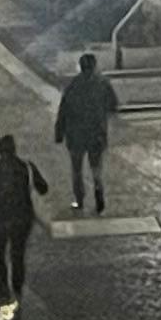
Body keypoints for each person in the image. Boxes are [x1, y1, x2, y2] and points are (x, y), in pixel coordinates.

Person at [0, 130, 48, 304]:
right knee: (17, 254)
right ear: (14, 149)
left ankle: (3, 287)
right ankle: (17, 288)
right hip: (22, 219)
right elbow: (43, 188)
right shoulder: (26, 167)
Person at [55, 47, 119, 213]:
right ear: (95, 66)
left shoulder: (73, 86)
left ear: (81, 66)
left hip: (75, 135)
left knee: (76, 170)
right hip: (96, 133)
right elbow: (113, 106)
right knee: (96, 167)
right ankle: (98, 193)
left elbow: (63, 111)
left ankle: (79, 199)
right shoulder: (103, 84)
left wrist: (59, 133)